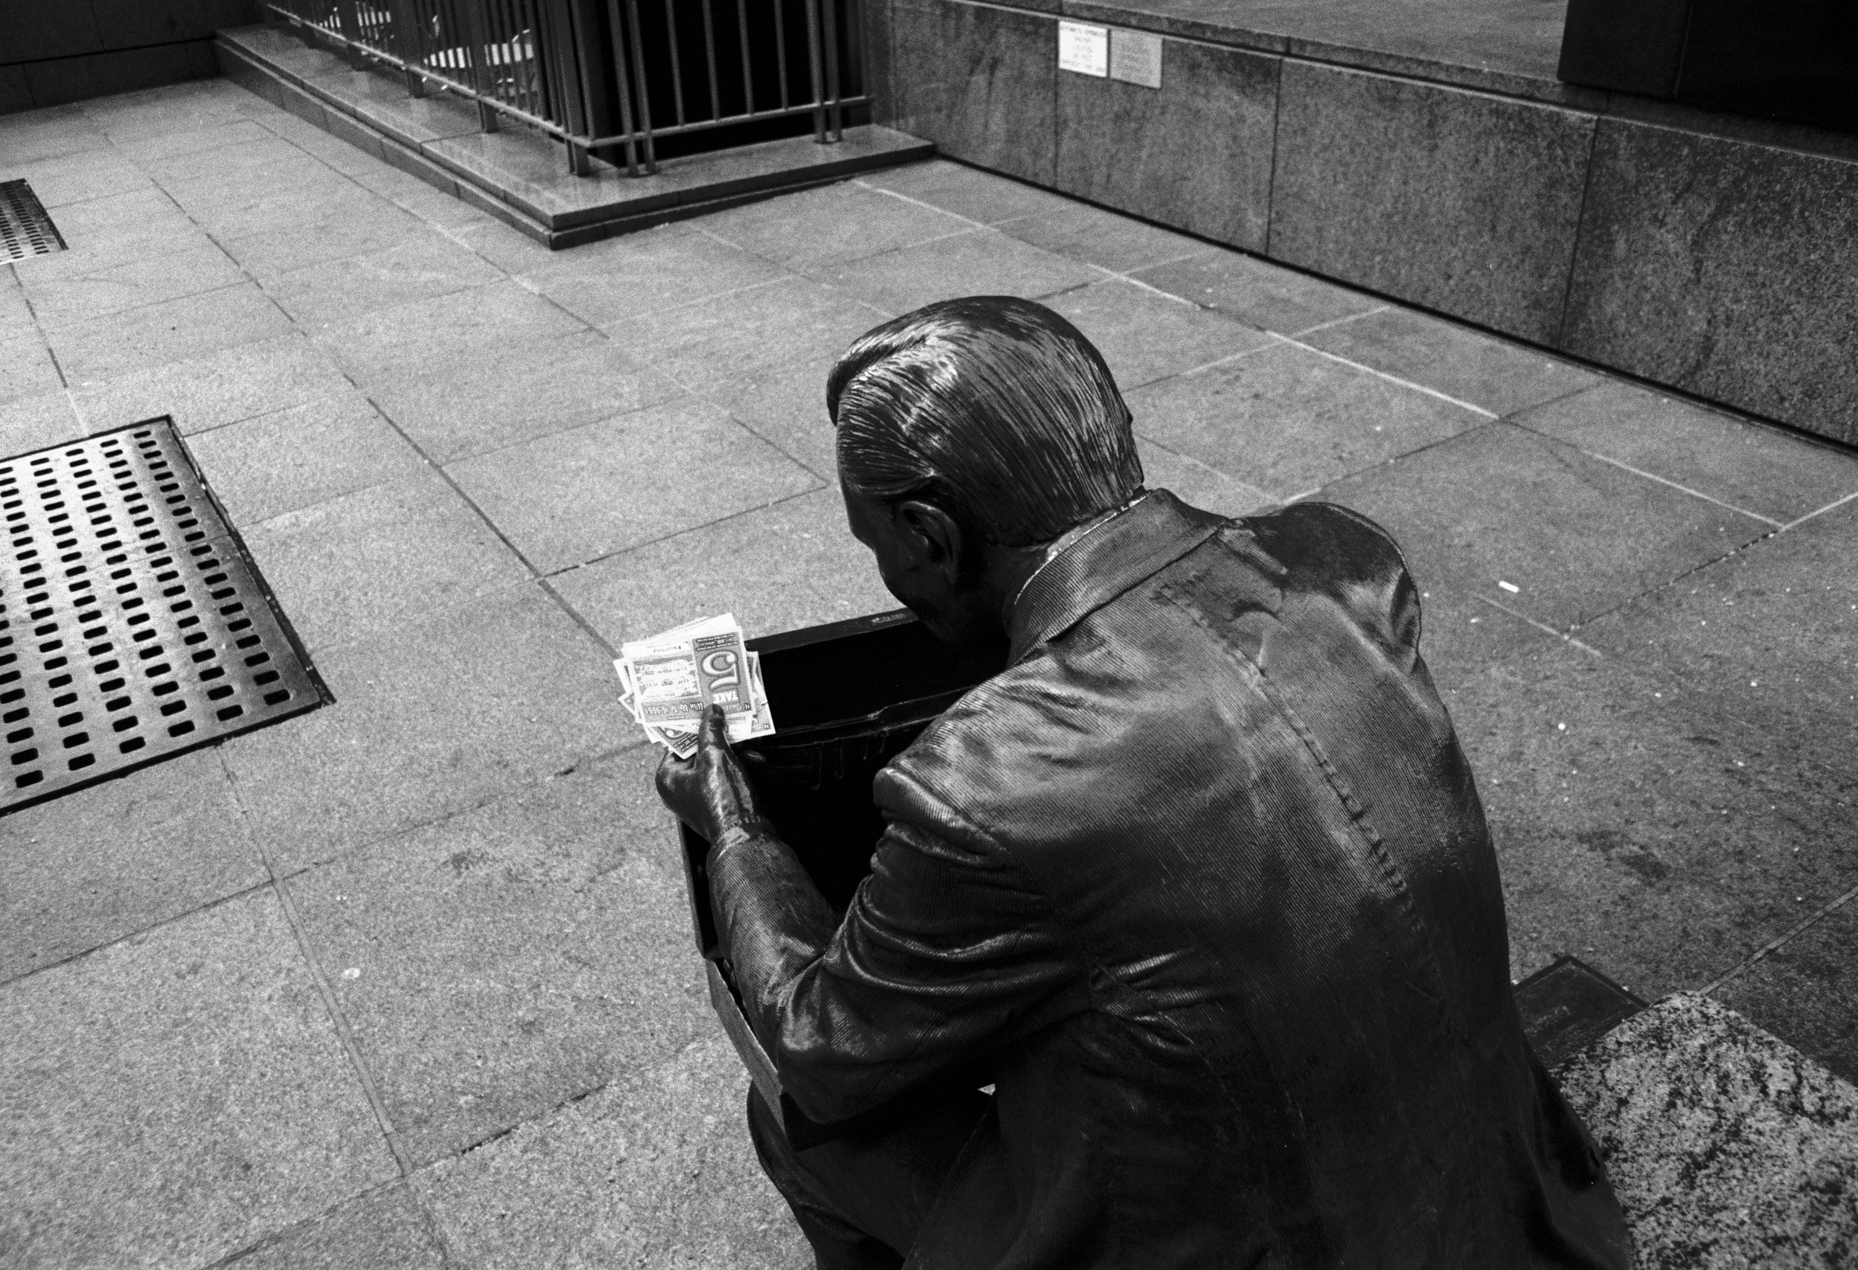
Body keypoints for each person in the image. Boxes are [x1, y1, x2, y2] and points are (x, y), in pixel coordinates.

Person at [656, 296, 1631, 1269]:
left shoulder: (987, 785)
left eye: (880, 551)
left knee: (790, 1116)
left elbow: (824, 1050)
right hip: (1514, 1212)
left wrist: (735, 824)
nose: (889, 579)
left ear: (930, 536)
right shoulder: (1344, 565)